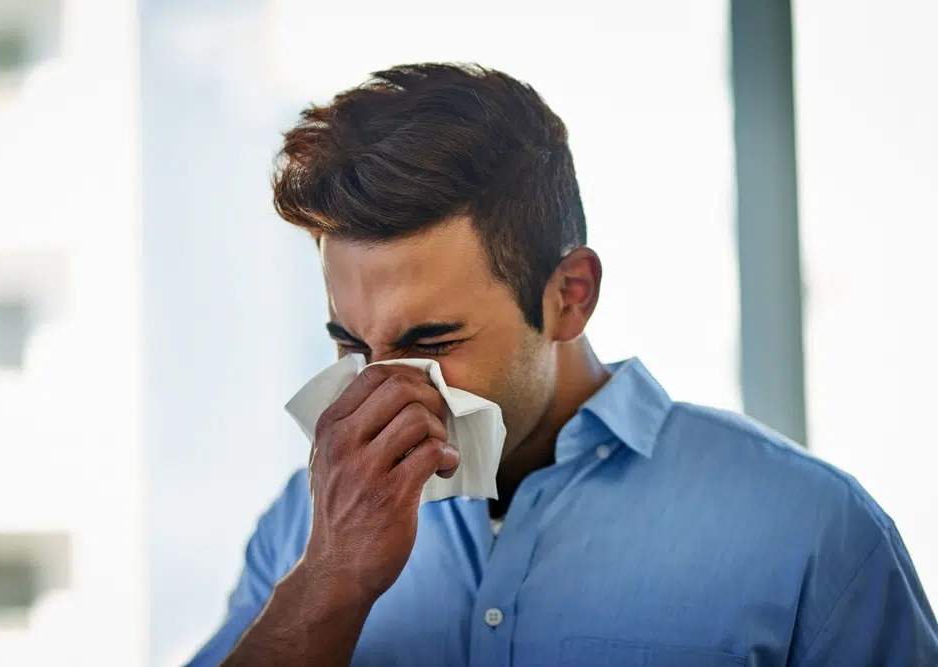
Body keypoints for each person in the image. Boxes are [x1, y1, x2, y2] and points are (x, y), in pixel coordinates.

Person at [187, 63, 937, 667]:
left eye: (432, 342)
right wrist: (328, 580)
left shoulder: (809, 529)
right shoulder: (306, 523)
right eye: (352, 345)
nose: (383, 391)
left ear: (570, 296)